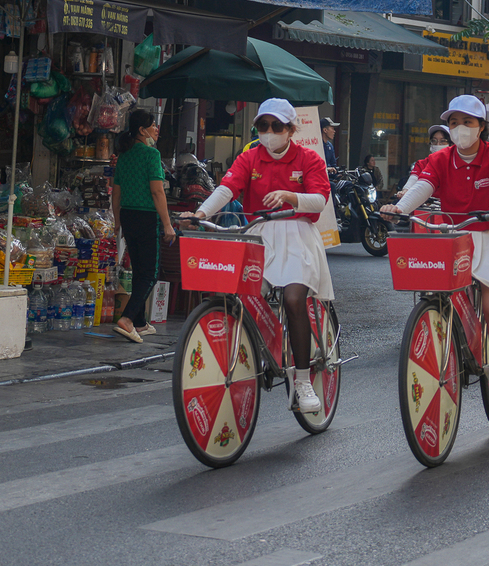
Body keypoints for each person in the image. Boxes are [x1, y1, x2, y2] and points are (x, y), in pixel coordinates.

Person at [380, 95, 489, 421]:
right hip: (456, 239)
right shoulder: (441, 159)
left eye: (468, 122)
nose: (460, 129)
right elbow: (423, 186)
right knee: (439, 294)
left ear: (481, 127)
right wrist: (400, 208)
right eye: (453, 123)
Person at [188, 99, 334, 413]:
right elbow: (227, 188)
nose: (268, 133)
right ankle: (254, 354)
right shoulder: (249, 157)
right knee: (239, 293)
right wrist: (200, 212)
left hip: (297, 235)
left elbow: (320, 200)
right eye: (262, 126)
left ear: (292, 129)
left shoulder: (309, 158)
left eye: (276, 126)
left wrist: (290, 195)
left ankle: (303, 380)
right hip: (259, 236)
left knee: (295, 299)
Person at [111, 109, 177, 343]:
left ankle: (139, 321)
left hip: (128, 216)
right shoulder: (151, 154)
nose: (156, 129)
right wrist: (168, 225)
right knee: (150, 273)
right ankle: (127, 319)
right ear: (142, 130)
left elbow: (116, 193)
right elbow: (157, 191)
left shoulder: (125, 155)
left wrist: (117, 221)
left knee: (139, 269)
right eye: (152, 125)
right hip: (147, 216)